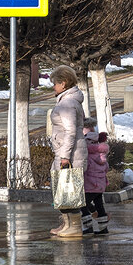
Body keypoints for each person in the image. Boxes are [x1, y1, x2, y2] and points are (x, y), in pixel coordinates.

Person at [49, 65, 88, 239]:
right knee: (63, 190)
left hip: (70, 154)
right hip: (67, 151)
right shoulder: (69, 101)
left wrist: (64, 156)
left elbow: (70, 131)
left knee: (68, 190)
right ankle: (66, 224)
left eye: (55, 83)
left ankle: (73, 227)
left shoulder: (67, 104)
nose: (53, 87)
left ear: (63, 84)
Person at [81, 118, 110, 235]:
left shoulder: (87, 155)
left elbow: (84, 168)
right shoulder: (101, 154)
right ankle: (103, 228)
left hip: (90, 185)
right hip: (101, 185)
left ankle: (88, 226)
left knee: (82, 204)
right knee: (100, 206)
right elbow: (106, 168)